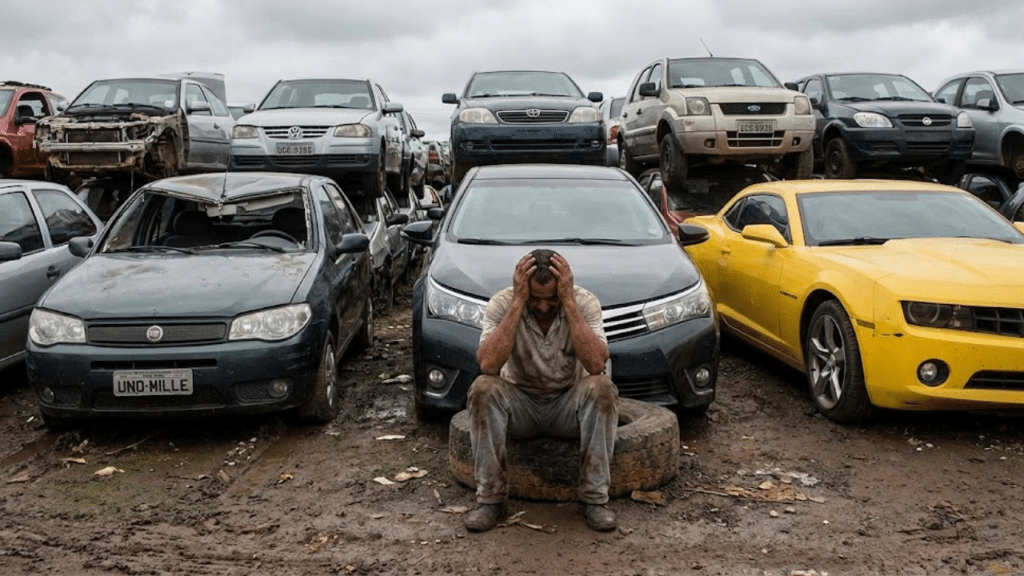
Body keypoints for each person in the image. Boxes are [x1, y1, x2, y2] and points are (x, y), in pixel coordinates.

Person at [464, 249, 619, 532]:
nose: (544, 307)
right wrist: (518, 303)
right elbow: (488, 364)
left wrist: (569, 303)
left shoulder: (583, 302)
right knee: (482, 388)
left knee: (603, 387)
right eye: (536, 299)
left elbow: (596, 364)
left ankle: (595, 499)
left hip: (567, 405)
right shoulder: (503, 303)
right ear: (522, 288)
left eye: (552, 299)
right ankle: (491, 500)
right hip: (520, 405)